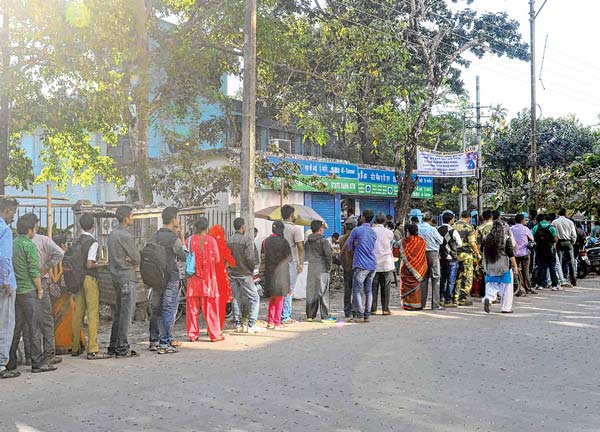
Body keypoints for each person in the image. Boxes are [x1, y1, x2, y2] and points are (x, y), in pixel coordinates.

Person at [7, 213, 56, 373]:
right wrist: (40, 289)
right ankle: (37, 362)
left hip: (16, 290)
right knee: (34, 327)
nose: (36, 229)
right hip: (29, 290)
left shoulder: (13, 243)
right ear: (30, 229)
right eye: (35, 226)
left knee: (16, 328)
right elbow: (34, 271)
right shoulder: (29, 245)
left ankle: (10, 361)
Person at [71, 214, 112, 359]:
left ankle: (75, 347)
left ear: (80, 226)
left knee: (78, 313)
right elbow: (90, 263)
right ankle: (93, 349)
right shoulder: (92, 242)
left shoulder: (76, 241)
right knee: (93, 313)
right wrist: (102, 264)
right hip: (89, 278)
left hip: (77, 278)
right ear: (93, 226)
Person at [107, 205, 141, 358]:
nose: (132, 218)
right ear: (126, 217)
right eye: (131, 216)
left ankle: (113, 345)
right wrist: (130, 259)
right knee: (127, 314)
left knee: (119, 313)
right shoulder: (126, 236)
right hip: (127, 276)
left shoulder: (112, 234)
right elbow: (137, 257)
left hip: (116, 277)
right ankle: (122, 347)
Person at [31, 216, 65, 365]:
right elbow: (60, 253)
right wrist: (46, 266)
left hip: (24, 283)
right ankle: (49, 353)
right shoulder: (43, 240)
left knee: (29, 321)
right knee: (45, 318)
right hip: (41, 280)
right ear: (34, 226)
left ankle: (30, 355)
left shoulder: (17, 242)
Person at [186, 217, 225, 342]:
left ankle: (192, 334)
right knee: (211, 308)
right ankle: (214, 334)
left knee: (192, 309)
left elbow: (185, 256)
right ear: (206, 227)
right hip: (208, 280)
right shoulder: (212, 241)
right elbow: (218, 259)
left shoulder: (190, 240)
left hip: (193, 280)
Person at [227, 218, 265, 334]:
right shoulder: (247, 240)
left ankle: (238, 324)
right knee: (255, 298)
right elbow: (250, 258)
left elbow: (227, 257)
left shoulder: (229, 240)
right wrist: (252, 269)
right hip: (244, 273)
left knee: (236, 298)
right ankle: (251, 324)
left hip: (233, 273)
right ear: (242, 227)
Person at [346, 209, 377, 322]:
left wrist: (355, 246)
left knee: (357, 290)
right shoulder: (373, 232)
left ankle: (359, 315)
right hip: (372, 264)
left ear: (363, 217)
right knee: (368, 290)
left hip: (361, 264)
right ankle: (366, 315)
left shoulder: (356, 230)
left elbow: (349, 247)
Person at [0, 198, 19, 378]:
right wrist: (6, 281)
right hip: (4, 284)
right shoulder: (5, 230)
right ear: (6, 211)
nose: (13, 216)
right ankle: (1, 365)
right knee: (5, 324)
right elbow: (5, 258)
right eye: (12, 212)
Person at [482, 220, 519, 314]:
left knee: (491, 285)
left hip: (490, 266)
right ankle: (506, 308)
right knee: (506, 288)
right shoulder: (506, 239)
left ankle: (488, 298)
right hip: (504, 267)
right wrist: (515, 266)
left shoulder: (487, 238)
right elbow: (511, 254)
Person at [260, 221, 292, 329]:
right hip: (281, 273)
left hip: (269, 273)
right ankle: (277, 322)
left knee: (272, 298)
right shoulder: (284, 242)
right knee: (280, 298)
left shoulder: (265, 241)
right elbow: (289, 258)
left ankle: (270, 321)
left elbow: (263, 257)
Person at [305, 220, 335, 323]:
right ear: (320, 229)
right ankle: (325, 316)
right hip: (322, 269)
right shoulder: (323, 241)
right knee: (323, 293)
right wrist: (328, 268)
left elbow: (305, 256)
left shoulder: (308, 241)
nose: (323, 230)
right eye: (322, 228)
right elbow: (328, 255)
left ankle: (310, 315)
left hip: (311, 268)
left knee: (311, 292)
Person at [208, 225, 235, 332]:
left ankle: (210, 328)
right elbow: (232, 262)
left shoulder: (206, 245)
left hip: (209, 279)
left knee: (210, 305)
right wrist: (226, 264)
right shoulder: (223, 247)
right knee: (221, 304)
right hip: (221, 279)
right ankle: (218, 329)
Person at [281, 204, 305, 324]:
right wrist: (301, 263)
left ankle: (280, 314)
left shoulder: (278, 227)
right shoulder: (295, 229)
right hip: (291, 262)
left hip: (279, 262)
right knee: (290, 289)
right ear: (291, 215)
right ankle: (286, 315)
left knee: (281, 289)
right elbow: (300, 247)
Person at [454, 210, 481, 306]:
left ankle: (455, 297)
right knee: (467, 277)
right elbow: (472, 243)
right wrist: (478, 254)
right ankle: (463, 299)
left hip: (455, 255)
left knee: (457, 277)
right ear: (469, 218)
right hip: (466, 256)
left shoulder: (453, 225)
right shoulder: (469, 227)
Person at [417, 212, 444, 310]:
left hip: (421, 254)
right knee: (436, 278)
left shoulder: (418, 228)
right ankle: (435, 304)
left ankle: (421, 303)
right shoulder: (433, 229)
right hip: (433, 253)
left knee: (423, 279)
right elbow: (441, 240)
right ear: (431, 219)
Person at [399, 224, 427, 310]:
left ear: (408, 231)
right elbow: (422, 254)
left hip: (406, 268)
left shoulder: (403, 241)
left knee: (406, 285)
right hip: (419, 268)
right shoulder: (422, 241)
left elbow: (397, 251)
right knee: (416, 285)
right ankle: (416, 304)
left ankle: (407, 304)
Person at [371, 213, 395, 315]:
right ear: (385, 221)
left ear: (375, 221)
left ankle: (373, 309)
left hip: (374, 262)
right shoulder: (389, 232)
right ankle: (385, 309)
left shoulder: (371, 231)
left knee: (374, 287)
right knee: (386, 287)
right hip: (386, 262)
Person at [438, 212, 462, 308]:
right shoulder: (453, 231)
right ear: (451, 220)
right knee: (451, 280)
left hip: (441, 258)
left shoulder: (437, 230)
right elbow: (459, 243)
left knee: (442, 279)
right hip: (452, 258)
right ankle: (448, 300)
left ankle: (441, 298)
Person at [510, 214, 537, 295]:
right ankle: (528, 288)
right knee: (526, 271)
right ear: (522, 220)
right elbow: (532, 239)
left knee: (515, 270)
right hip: (524, 252)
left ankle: (517, 288)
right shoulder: (526, 229)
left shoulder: (511, 229)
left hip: (514, 253)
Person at [532, 214, 559, 291]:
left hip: (539, 250)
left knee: (541, 267)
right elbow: (556, 239)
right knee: (552, 267)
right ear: (550, 221)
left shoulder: (536, 227)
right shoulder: (551, 228)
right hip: (550, 250)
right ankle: (554, 285)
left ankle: (540, 284)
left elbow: (532, 237)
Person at [338, 217, 357, 318]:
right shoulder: (355, 238)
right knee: (356, 290)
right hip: (355, 266)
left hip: (346, 266)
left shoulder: (341, 239)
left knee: (347, 290)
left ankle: (347, 310)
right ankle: (354, 309)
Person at [553, 208, 577, 287]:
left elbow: (553, 233)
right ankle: (573, 280)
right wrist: (572, 242)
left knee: (558, 262)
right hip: (568, 242)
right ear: (565, 213)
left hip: (559, 242)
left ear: (558, 213)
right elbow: (574, 234)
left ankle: (560, 279)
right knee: (571, 261)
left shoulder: (555, 222)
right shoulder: (570, 222)